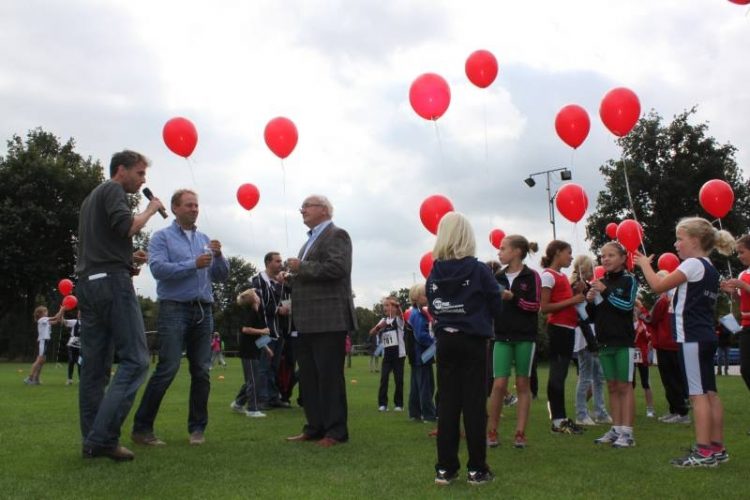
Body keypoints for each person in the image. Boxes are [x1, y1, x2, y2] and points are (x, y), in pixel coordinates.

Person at [76, 150, 164, 461]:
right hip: (111, 285)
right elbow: (127, 227)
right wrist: (151, 209)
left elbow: (110, 239)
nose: (143, 180)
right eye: (140, 173)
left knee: (95, 370)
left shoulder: (90, 199)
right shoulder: (113, 190)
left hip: (90, 283)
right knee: (137, 360)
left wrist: (128, 260)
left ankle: (91, 441)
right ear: (121, 170)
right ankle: (103, 439)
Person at [132, 189, 229, 447]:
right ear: (175, 209)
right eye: (189, 205)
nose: (195, 209)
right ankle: (142, 429)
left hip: (203, 310)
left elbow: (220, 276)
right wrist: (192, 264)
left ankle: (197, 429)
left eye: (196, 205)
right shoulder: (161, 238)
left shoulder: (205, 240)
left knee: (202, 371)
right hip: (174, 308)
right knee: (168, 368)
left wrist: (219, 257)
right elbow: (158, 270)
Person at [636, 216, 734, 467]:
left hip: (691, 337)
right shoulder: (710, 267)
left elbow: (658, 285)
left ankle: (703, 452)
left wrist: (644, 264)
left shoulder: (692, 265)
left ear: (695, 240)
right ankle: (717, 447)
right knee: (710, 393)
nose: (676, 244)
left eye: (680, 239)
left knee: (697, 395)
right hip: (705, 336)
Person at [427, 212, 503, 486]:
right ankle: (477, 469)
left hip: (445, 341)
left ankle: (445, 469)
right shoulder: (479, 269)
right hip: (472, 341)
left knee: (447, 405)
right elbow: (496, 303)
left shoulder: (435, 269)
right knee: (473, 405)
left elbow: (433, 304)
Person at [284, 195, 356, 448]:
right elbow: (311, 273)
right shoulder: (309, 241)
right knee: (309, 378)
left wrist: (301, 267)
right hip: (306, 320)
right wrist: (291, 277)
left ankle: (336, 432)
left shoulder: (338, 235)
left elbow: (338, 268)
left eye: (306, 206)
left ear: (323, 210)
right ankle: (314, 427)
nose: (301, 210)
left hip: (329, 318)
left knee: (328, 377)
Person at [486, 235, 540, 450]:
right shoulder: (496, 277)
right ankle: (492, 431)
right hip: (501, 337)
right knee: (498, 385)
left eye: (502, 248)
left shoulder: (531, 276)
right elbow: (490, 306)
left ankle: (520, 433)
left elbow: (535, 305)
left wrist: (513, 298)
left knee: (522, 384)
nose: (499, 252)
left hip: (525, 337)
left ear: (517, 251)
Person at [586, 242, 638, 448]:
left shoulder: (629, 280)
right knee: (612, 386)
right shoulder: (600, 281)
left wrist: (605, 292)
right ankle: (616, 429)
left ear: (623, 258)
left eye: (611, 255)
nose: (605, 259)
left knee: (625, 386)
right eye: (602, 256)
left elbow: (626, 306)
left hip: (623, 341)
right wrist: (589, 300)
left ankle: (628, 432)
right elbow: (593, 316)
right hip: (604, 341)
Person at [540, 240, 586, 435]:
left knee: (562, 374)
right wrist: (573, 300)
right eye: (568, 252)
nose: (571, 257)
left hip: (567, 329)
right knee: (557, 375)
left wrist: (576, 292)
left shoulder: (561, 276)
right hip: (558, 329)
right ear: (557, 253)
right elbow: (544, 308)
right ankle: (558, 420)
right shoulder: (548, 276)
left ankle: (561, 418)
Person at [645, 271, 690, 424]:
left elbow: (652, 319)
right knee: (675, 379)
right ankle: (675, 410)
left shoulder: (664, 300)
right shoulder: (677, 299)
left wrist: (641, 312)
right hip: (676, 343)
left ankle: (681, 412)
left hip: (666, 343)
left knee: (670, 380)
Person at [570, 255, 611, 427]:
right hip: (584, 333)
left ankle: (600, 411)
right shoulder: (576, 287)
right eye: (591, 268)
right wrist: (588, 300)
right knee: (586, 375)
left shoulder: (588, 286)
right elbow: (579, 311)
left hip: (594, 330)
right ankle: (581, 413)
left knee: (598, 376)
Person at [251, 252, 291, 408]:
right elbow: (257, 305)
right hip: (263, 331)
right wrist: (277, 310)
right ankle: (261, 399)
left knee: (274, 366)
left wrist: (283, 284)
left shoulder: (278, 283)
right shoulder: (257, 280)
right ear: (268, 262)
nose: (281, 264)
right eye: (277, 261)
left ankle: (273, 397)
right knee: (263, 365)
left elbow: (286, 298)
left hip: (278, 331)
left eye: (281, 261)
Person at [231, 289, 272, 417]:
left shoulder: (256, 313)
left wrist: (267, 349)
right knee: (253, 380)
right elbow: (246, 329)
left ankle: (238, 403)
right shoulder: (251, 313)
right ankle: (252, 410)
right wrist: (263, 331)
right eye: (256, 295)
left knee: (252, 379)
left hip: (253, 351)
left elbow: (257, 337)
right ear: (253, 300)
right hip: (248, 351)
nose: (259, 296)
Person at [721, 235, 750, 411]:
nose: (739, 256)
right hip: (746, 326)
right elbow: (741, 302)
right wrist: (729, 293)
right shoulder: (743, 274)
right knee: (745, 369)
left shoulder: (743, 278)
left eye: (742, 252)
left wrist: (743, 286)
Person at [370, 296, 406, 412]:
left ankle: (399, 404)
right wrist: (379, 327)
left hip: (399, 354)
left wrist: (398, 305)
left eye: (388, 305)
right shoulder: (383, 320)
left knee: (398, 380)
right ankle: (382, 404)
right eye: (384, 305)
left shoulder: (399, 320)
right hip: (387, 355)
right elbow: (372, 332)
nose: (385, 307)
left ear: (394, 307)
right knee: (384, 379)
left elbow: (401, 315)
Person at [406, 284, 437, 423]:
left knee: (416, 385)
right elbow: (421, 335)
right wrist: (434, 341)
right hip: (422, 355)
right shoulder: (417, 315)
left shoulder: (417, 313)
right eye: (425, 295)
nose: (428, 297)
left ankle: (415, 413)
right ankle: (429, 415)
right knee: (427, 385)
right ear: (416, 297)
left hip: (417, 356)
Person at [24, 305, 64, 385]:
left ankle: (36, 379)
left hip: (45, 341)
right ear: (41, 313)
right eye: (45, 311)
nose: (47, 312)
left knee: (42, 361)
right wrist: (62, 309)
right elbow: (55, 317)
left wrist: (62, 312)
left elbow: (56, 321)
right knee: (39, 360)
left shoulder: (45, 321)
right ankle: (30, 378)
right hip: (43, 341)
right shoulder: (42, 319)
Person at [633, 302, 656, 418]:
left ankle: (650, 409)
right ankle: (630, 407)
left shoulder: (643, 324)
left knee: (646, 383)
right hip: (630, 355)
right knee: (629, 384)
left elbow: (650, 338)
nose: (633, 310)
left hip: (642, 355)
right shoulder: (626, 324)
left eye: (635, 308)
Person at [64, 312, 82, 385]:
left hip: (81, 345)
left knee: (80, 362)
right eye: (79, 313)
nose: (80, 314)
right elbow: (64, 322)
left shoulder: (87, 323)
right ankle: (69, 379)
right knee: (71, 361)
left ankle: (81, 379)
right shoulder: (74, 322)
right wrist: (62, 312)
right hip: (72, 345)